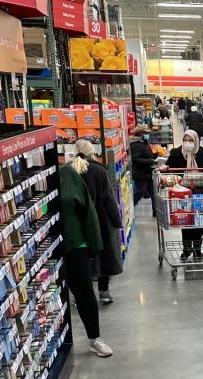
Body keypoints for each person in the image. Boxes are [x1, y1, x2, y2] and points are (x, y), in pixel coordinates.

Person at [59, 149, 113, 357]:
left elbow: (88, 212)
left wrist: (93, 244)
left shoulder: (68, 176)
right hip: (48, 249)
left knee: (85, 294)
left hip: (76, 246)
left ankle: (94, 339)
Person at [75, 140, 124, 305]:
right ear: (92, 152)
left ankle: (82, 294)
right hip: (100, 220)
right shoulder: (99, 170)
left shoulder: (70, 171)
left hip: (79, 221)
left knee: (82, 257)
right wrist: (116, 220)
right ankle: (104, 291)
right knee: (103, 255)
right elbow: (109, 198)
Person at [166, 129, 203, 260]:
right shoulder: (176, 153)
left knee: (199, 221)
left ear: (196, 141)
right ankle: (186, 250)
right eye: (185, 140)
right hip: (182, 194)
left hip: (201, 192)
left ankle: (197, 249)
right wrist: (164, 168)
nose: (188, 143)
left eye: (191, 140)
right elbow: (168, 166)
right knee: (185, 222)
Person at [130, 125, 158, 216]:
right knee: (139, 192)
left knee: (154, 193)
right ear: (140, 134)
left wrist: (155, 155)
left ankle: (156, 212)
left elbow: (146, 155)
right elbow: (135, 160)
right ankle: (128, 210)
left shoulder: (144, 143)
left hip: (147, 172)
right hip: (140, 173)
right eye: (146, 133)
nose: (147, 135)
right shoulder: (135, 145)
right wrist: (151, 161)